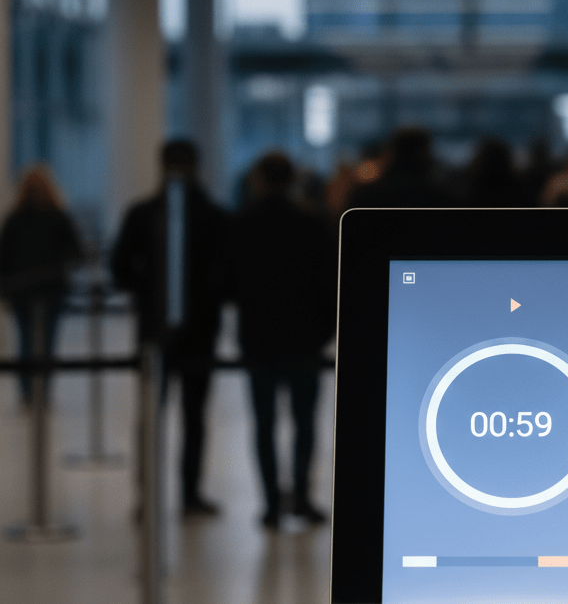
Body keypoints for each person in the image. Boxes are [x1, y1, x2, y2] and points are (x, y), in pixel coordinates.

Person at [111, 139, 229, 519]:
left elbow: (122, 270)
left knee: (186, 418)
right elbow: (121, 269)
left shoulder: (203, 215)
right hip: (165, 335)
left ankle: (183, 494)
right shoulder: (197, 215)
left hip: (183, 333)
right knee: (159, 417)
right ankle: (163, 496)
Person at [228, 152, 336, 529]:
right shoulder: (311, 224)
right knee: (305, 422)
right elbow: (328, 284)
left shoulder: (242, 224)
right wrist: (325, 330)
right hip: (305, 338)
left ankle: (272, 503)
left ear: (258, 180)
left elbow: (229, 284)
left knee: (264, 424)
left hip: (259, 337)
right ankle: (303, 496)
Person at [0, 167, 82, 407]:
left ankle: (29, 393)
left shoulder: (14, 220)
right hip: (51, 288)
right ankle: (41, 391)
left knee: (27, 342)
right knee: (46, 342)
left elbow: (4, 258)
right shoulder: (58, 217)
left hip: (23, 290)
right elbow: (75, 253)